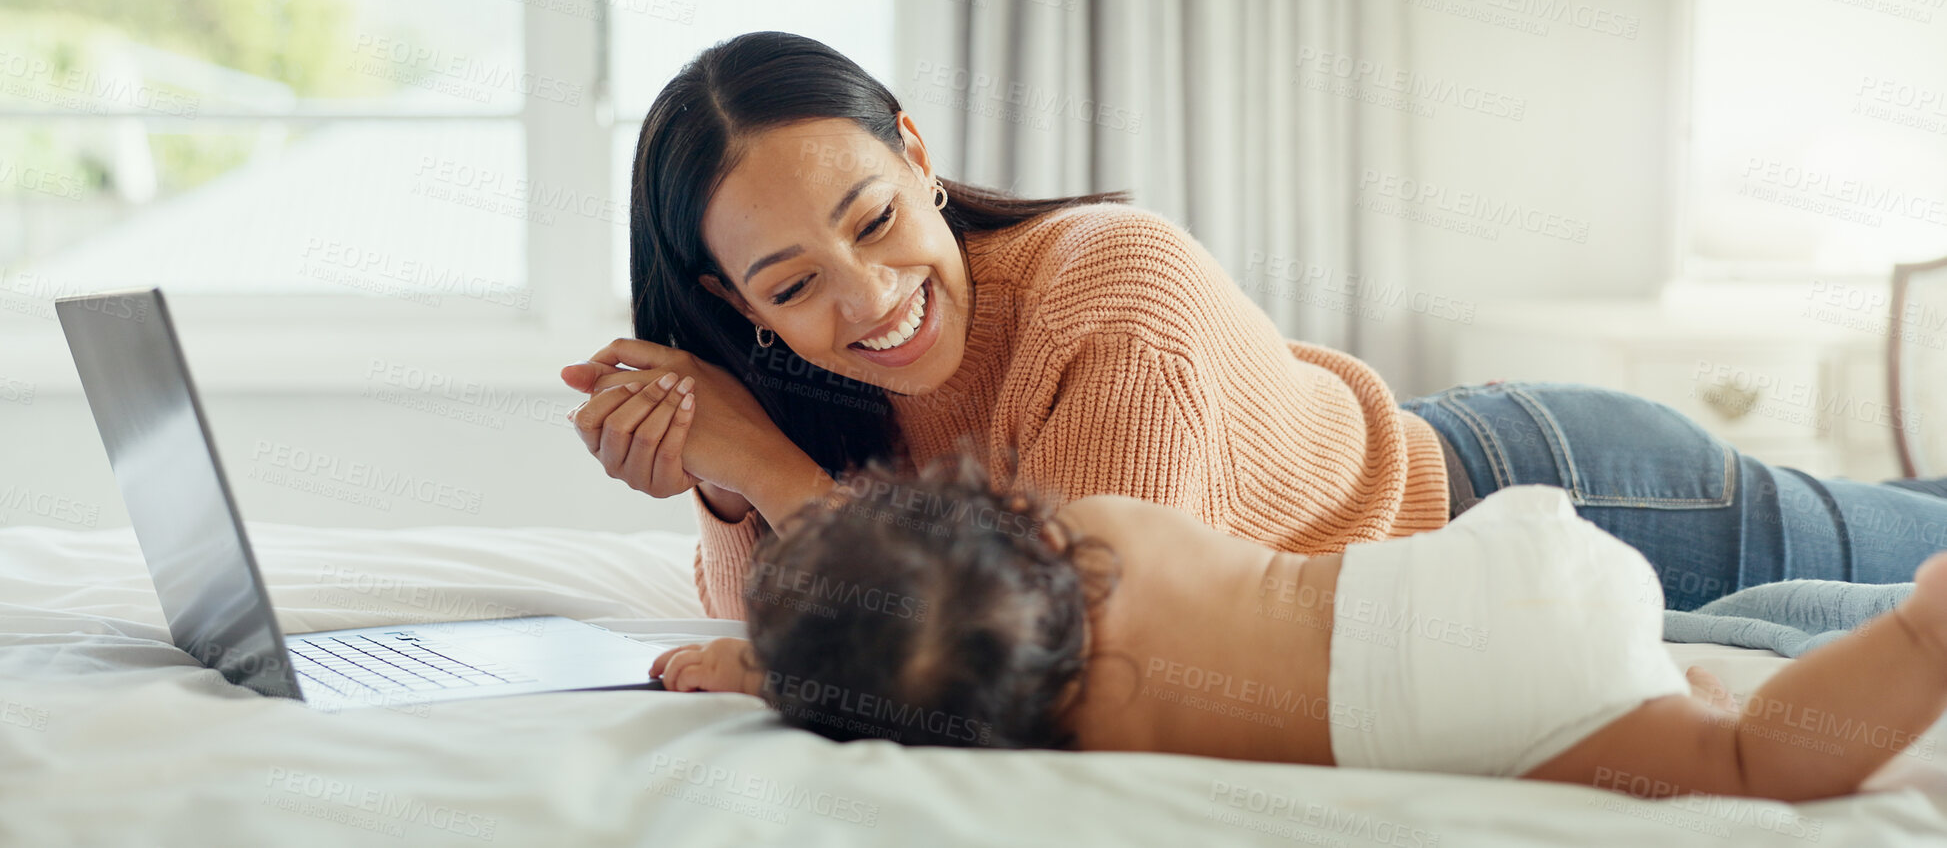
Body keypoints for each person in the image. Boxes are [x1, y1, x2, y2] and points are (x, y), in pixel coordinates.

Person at [560, 29, 1947, 627]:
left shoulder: (1111, 287)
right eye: (792, 285)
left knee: (1917, 548)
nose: (866, 303)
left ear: (918, 151)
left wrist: (777, 480)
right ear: (733, 304)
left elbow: (1061, 633)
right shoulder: (783, 374)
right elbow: (796, 625)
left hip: (1564, 495)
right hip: (1465, 526)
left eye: (873, 221)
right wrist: (727, 478)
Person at [656, 452, 1947, 804]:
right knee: (1717, 654)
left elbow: (888, 657)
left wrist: (763, 670)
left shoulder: (1058, 740)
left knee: (1745, 758)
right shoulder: (1103, 528)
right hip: (1495, 565)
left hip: (1467, 699)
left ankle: (1926, 639)